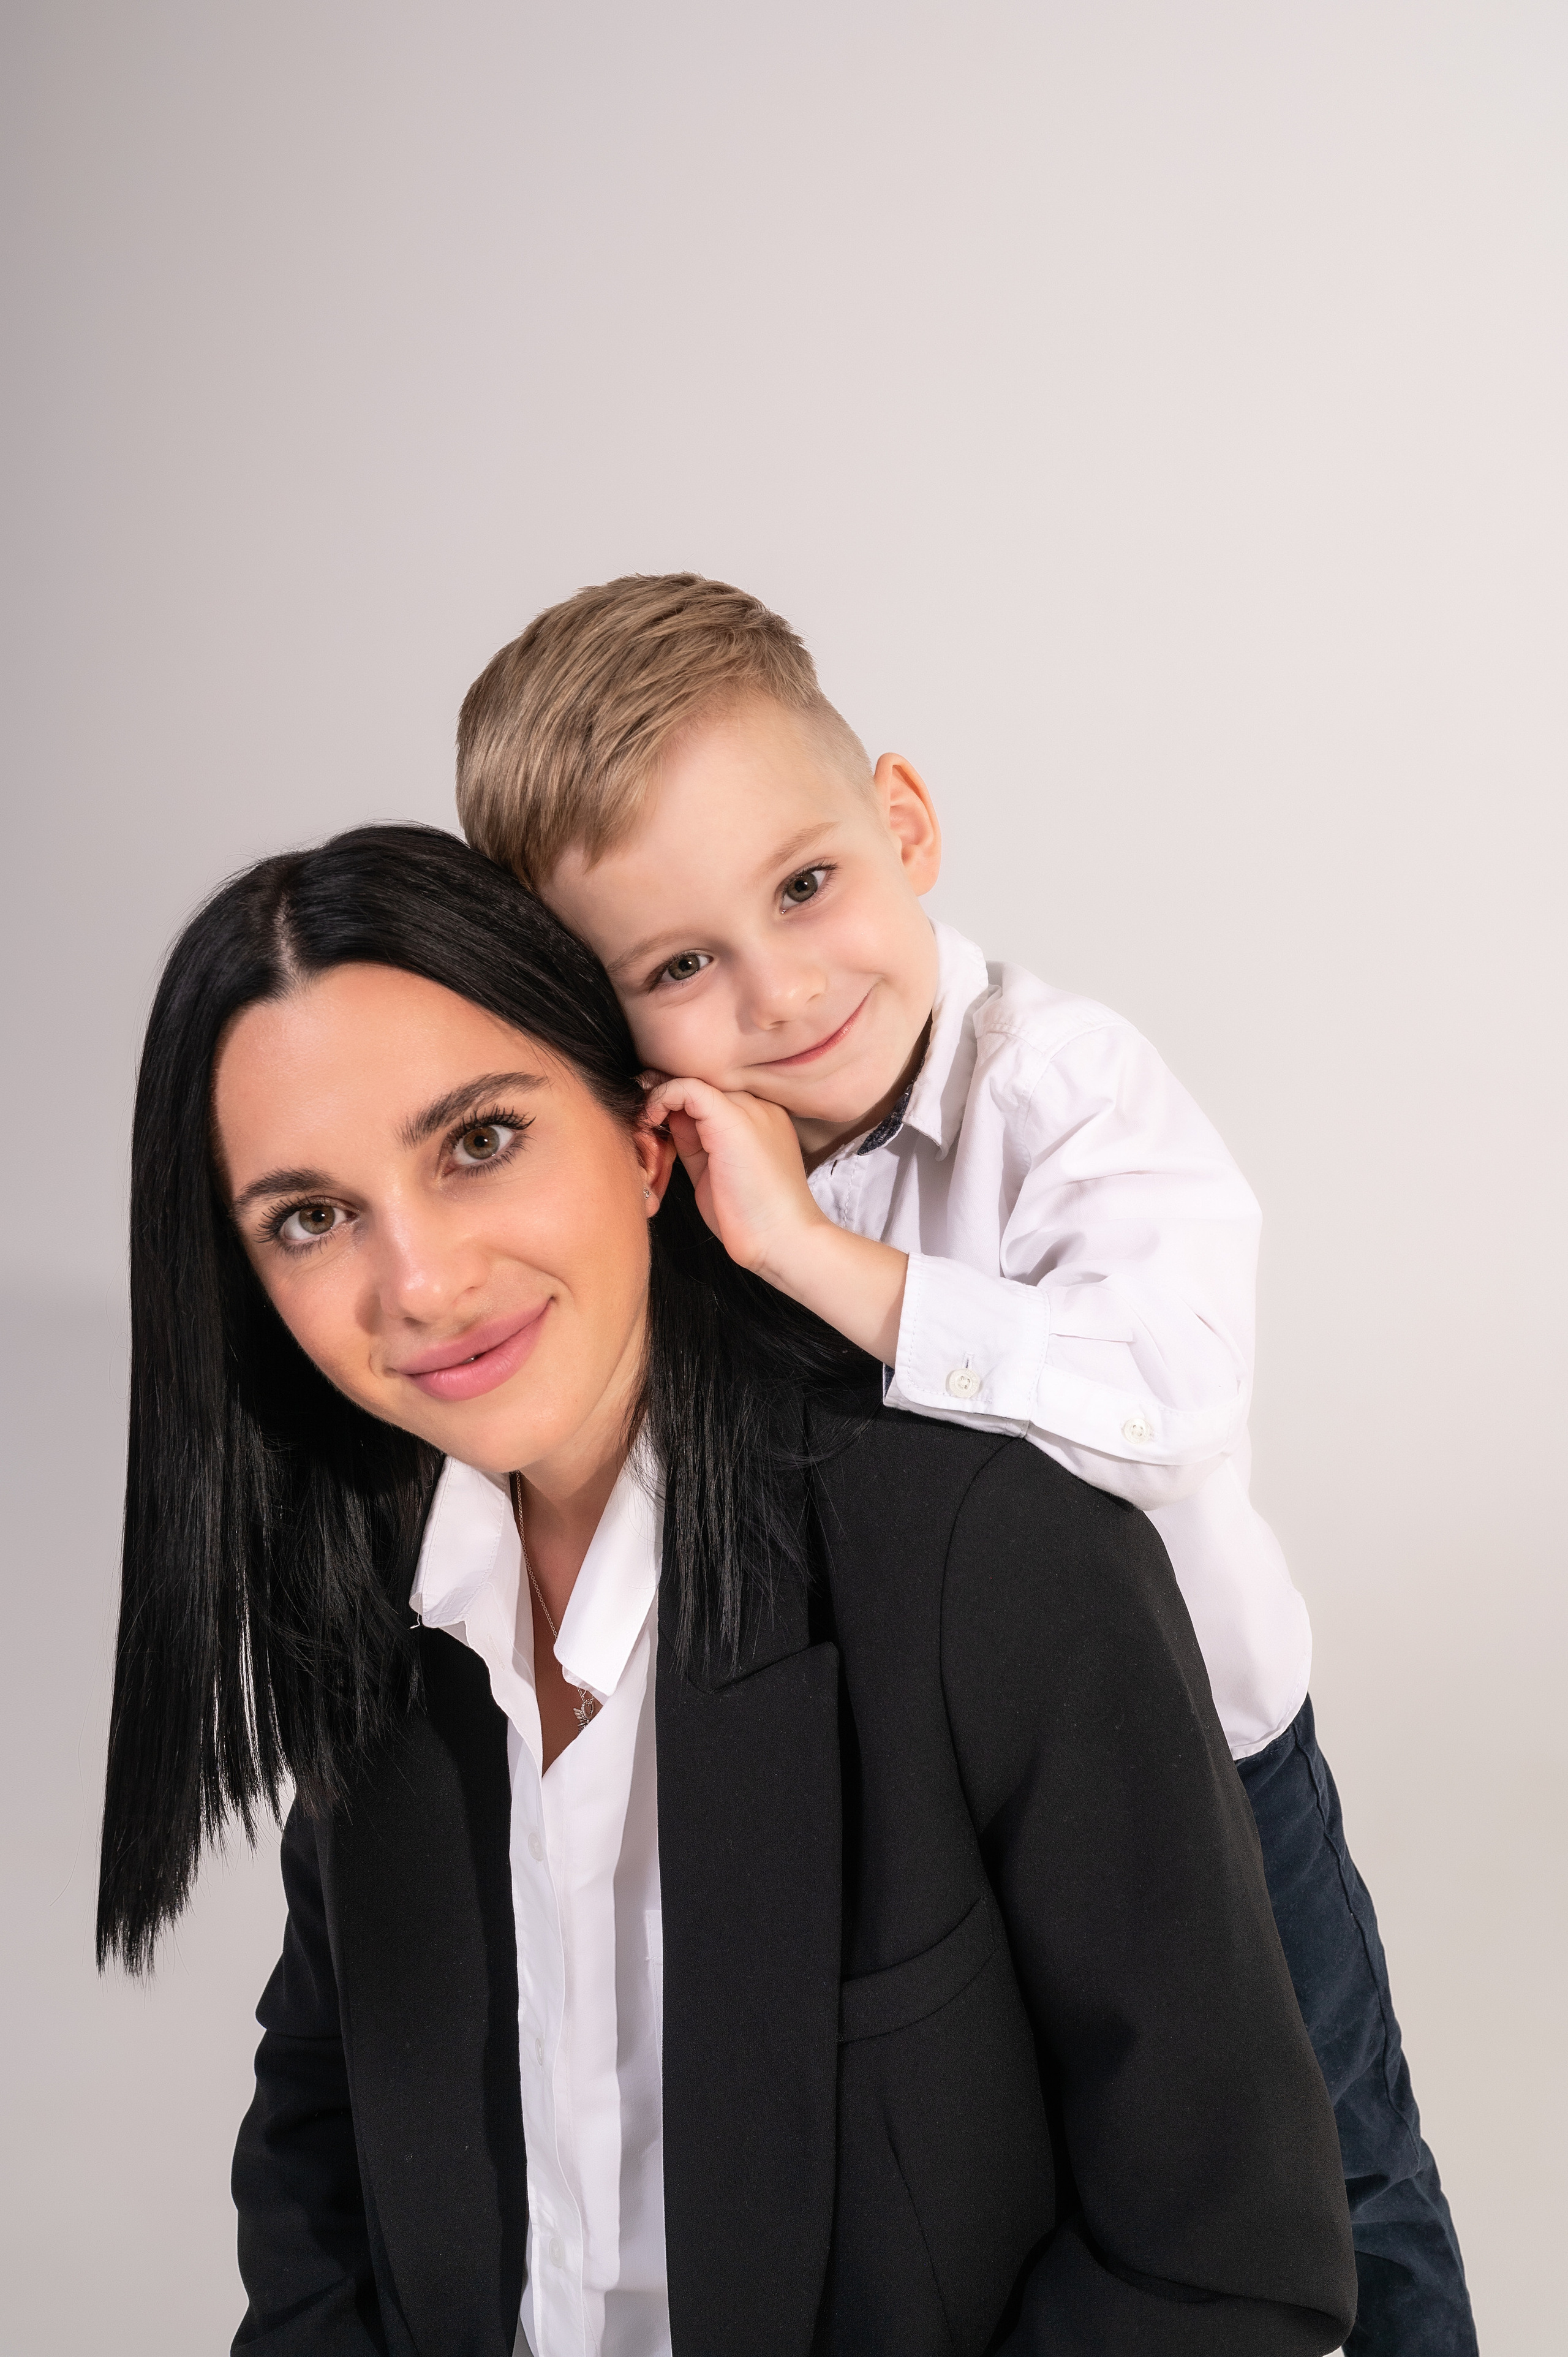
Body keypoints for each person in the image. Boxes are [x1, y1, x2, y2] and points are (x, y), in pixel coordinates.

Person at [98, 823, 1355, 2357]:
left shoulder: (993, 1556)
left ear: (648, 1140)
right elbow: (318, 2145)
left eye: (477, 1140)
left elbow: (1220, 2262)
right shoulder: (380, 1609)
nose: (416, 1282)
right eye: (310, 1217)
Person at [455, 575, 1477, 2357]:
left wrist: (807, 1256)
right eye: (679, 967)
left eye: (805, 885)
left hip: (1205, 1771)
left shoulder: (1060, 1086)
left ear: (903, 825)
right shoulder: (670, 1168)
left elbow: (1167, 1393)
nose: (779, 991)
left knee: (1326, 2166)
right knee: (1018, 2205)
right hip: (917, 1825)